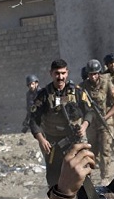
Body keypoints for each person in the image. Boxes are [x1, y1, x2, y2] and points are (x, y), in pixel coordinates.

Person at [29, 58, 94, 188]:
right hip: (54, 143)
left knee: (82, 174)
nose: (60, 77)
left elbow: (89, 111)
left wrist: (84, 126)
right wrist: (41, 140)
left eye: (63, 73)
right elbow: (33, 120)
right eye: (57, 73)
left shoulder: (77, 92)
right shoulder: (44, 95)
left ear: (67, 73)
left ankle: (84, 198)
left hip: (75, 139)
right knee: (54, 178)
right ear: (51, 74)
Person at [80, 59, 114, 181]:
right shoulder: (83, 87)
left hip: (105, 123)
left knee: (105, 150)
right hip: (91, 124)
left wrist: (106, 117)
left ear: (99, 73)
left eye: (95, 74)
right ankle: (89, 177)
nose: (93, 77)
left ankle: (105, 177)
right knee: (91, 151)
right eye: (91, 74)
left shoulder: (106, 82)